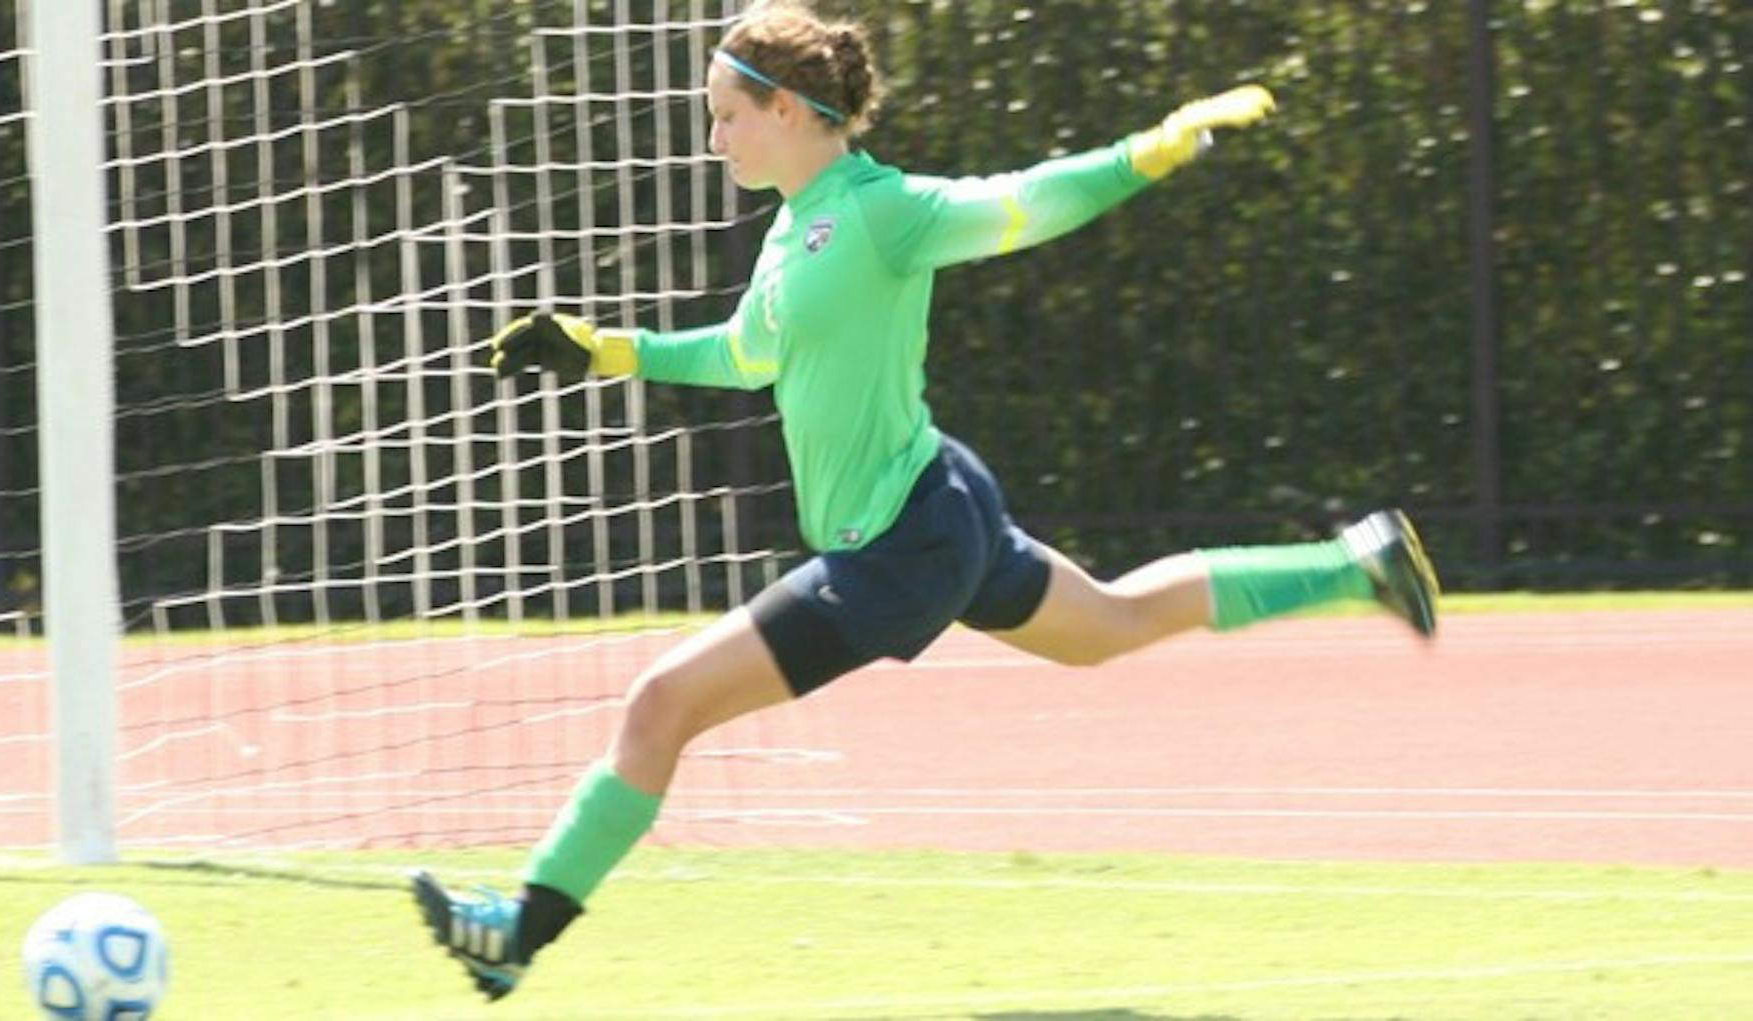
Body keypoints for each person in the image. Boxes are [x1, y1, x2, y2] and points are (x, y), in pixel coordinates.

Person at [411, 0, 1439, 1001]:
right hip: (937, 503)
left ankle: (516, 933)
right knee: (1109, 624)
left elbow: (1025, 201)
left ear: (789, 110)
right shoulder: (791, 230)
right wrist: (604, 349)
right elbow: (745, 353)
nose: (711, 132)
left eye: (726, 110)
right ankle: (1358, 562)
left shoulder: (879, 211)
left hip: (898, 547)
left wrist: (1149, 151)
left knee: (659, 704)